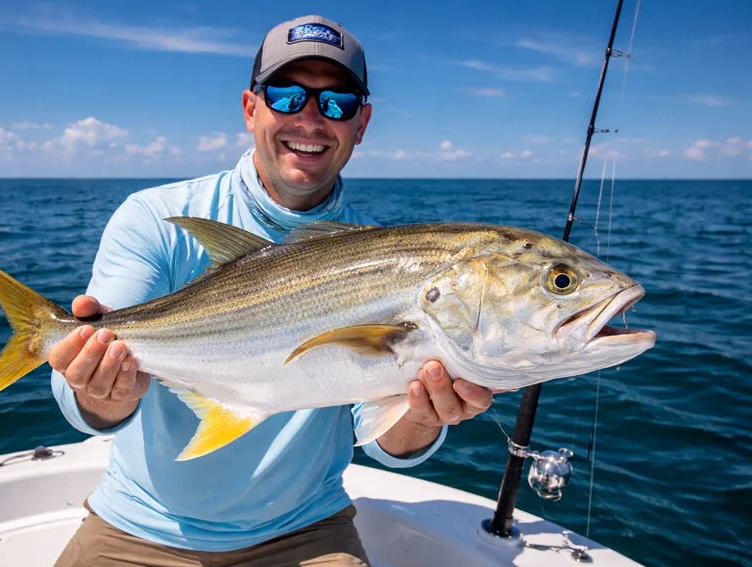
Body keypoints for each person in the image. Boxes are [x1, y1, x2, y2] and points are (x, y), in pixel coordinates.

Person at [49, 15, 496, 567]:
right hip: (139, 527)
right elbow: (82, 402)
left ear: (363, 122)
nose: (310, 119)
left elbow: (380, 439)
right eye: (287, 96)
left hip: (307, 533)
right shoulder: (154, 217)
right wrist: (100, 388)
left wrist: (425, 415)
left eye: (337, 102)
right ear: (250, 108)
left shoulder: (381, 253)